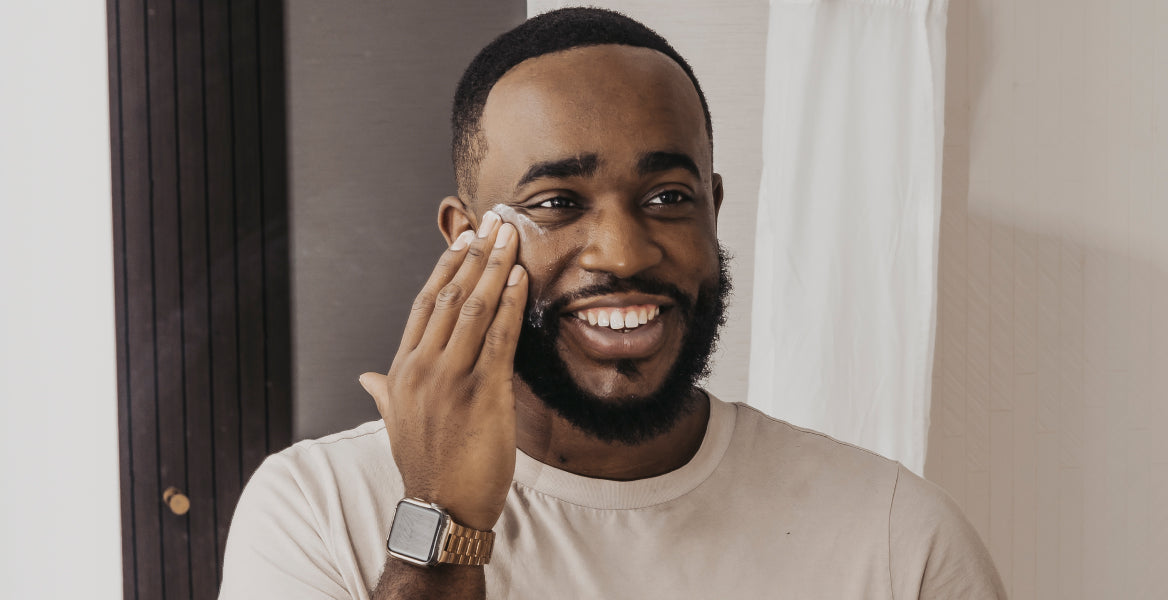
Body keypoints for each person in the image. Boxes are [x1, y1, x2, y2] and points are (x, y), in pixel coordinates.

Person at [219, 8, 1005, 600]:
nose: (625, 254)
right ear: (466, 241)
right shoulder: (315, 512)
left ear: (714, 210)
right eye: (558, 202)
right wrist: (442, 520)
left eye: (668, 196)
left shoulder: (899, 538)